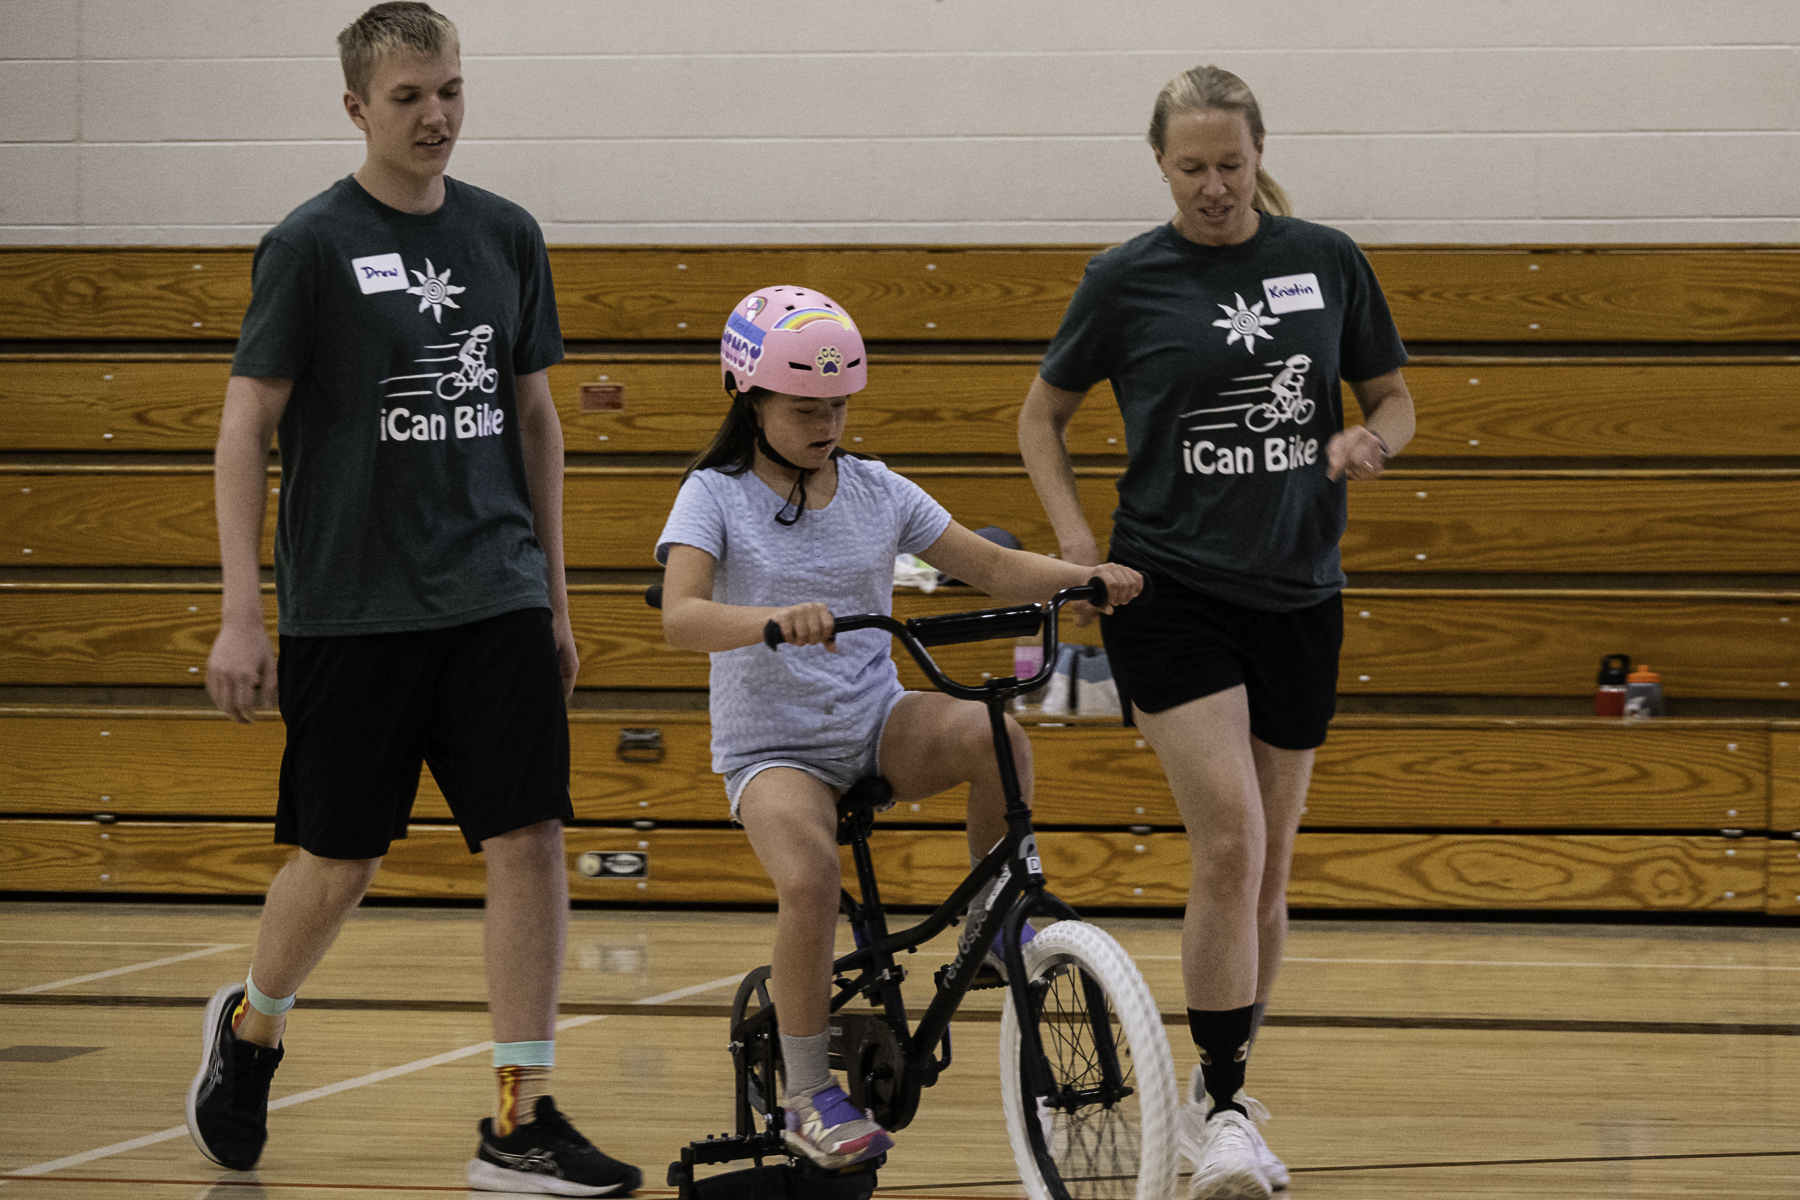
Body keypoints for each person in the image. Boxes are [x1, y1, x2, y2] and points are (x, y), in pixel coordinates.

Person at [188, 5, 640, 1194]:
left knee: (530, 836)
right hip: (353, 608)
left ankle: (518, 1116)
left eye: (448, 89)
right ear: (356, 109)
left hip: (492, 592)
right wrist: (245, 611)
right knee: (338, 861)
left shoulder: (506, 234)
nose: (435, 114)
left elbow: (534, 418)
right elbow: (246, 425)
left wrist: (553, 592)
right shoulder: (310, 245)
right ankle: (251, 1029)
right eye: (407, 98)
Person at [1017, 65, 1415, 1199]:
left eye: (1230, 165)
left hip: (1300, 596)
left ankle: (1215, 1090)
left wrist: (1374, 441)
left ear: (1257, 155)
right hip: (1171, 591)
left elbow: (1394, 397)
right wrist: (1078, 546)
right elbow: (1040, 416)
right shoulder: (1127, 279)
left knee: (1271, 871)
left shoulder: (1325, 260)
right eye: (1191, 168)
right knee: (1231, 844)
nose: (1213, 187)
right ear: (1161, 167)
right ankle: (1228, 1106)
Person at [656, 286, 1142, 1169]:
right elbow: (681, 617)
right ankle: (808, 1095)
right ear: (749, 398)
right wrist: (767, 619)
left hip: (875, 722)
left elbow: (987, 564)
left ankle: (993, 921)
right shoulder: (713, 496)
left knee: (997, 736)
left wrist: (1082, 579)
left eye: (839, 406)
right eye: (806, 409)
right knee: (808, 880)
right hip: (776, 751)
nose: (827, 424)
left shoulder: (876, 488)